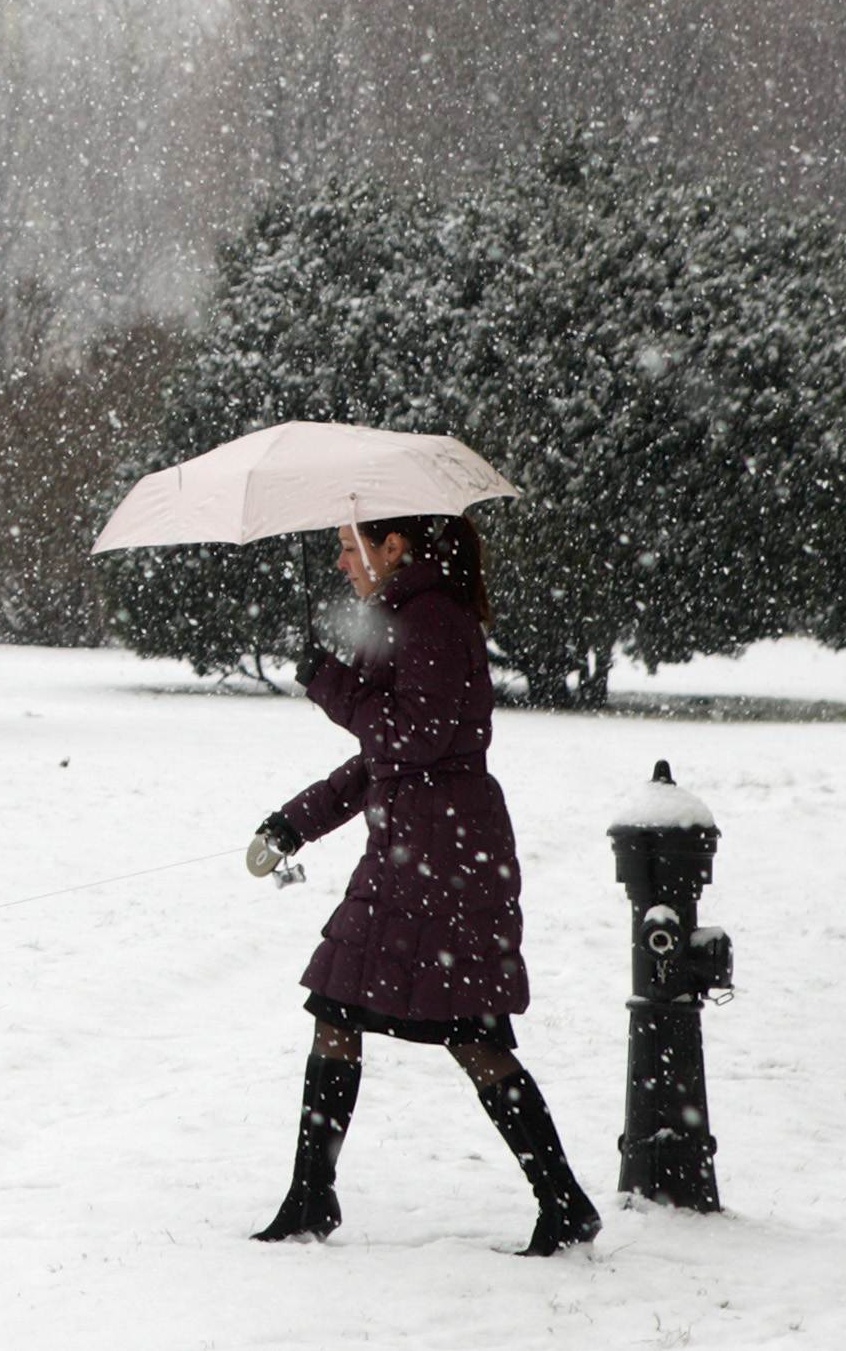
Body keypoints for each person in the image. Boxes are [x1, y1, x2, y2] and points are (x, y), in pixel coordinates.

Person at [244, 512, 601, 1256]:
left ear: (392, 547)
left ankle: (562, 1201)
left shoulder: (431, 618)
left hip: (443, 859)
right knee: (347, 1009)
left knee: (469, 1032)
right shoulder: (405, 614)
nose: (342, 561)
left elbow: (415, 737)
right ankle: (314, 1193)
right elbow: (385, 759)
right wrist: (292, 824)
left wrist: (329, 682)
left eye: (350, 546)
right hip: (417, 851)